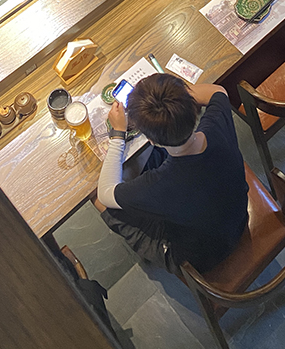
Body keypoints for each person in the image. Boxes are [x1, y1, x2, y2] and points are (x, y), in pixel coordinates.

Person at [93, 74, 249, 275]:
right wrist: (177, 97)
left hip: (201, 257)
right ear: (194, 108)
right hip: (237, 217)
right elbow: (218, 91)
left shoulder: (160, 184)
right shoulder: (217, 121)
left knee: (99, 201)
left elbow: (105, 193)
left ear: (151, 140)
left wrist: (118, 134)